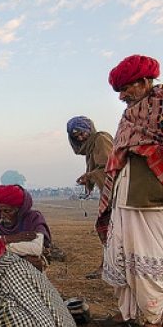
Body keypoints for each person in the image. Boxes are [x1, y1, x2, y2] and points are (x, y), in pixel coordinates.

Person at [96, 54, 163, 327]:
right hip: (123, 196)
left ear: (143, 82)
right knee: (118, 257)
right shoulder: (129, 115)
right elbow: (119, 153)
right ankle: (124, 313)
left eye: (126, 89)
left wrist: (141, 148)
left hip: (152, 198)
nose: (123, 96)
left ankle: (153, 321)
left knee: (148, 262)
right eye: (120, 91)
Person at [66, 116, 114, 280]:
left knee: (112, 231)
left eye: (82, 134)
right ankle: (108, 266)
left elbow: (110, 168)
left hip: (119, 195)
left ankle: (108, 267)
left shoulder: (101, 140)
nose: (80, 138)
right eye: (76, 137)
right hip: (110, 195)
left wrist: (90, 176)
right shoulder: (94, 145)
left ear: (89, 130)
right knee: (110, 231)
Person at [0, 184, 52, 271]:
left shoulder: (34, 218)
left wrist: (0, 245)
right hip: (0, 265)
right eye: (0, 210)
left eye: (8, 211)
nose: (2, 215)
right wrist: (9, 238)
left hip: (25, 265)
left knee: (32, 261)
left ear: (20, 210)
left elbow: (35, 248)